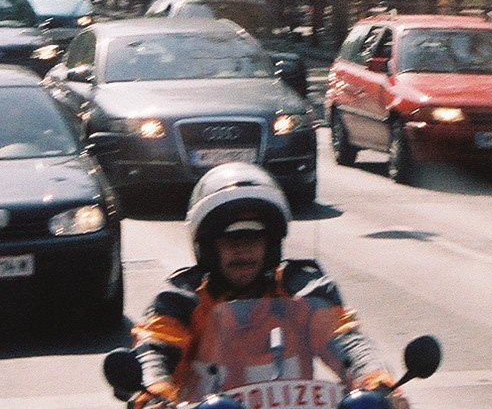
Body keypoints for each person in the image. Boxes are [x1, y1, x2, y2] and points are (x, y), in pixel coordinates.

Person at [129, 163, 407, 408]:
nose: (243, 250)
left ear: (271, 245)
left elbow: (346, 339)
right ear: (209, 248)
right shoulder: (181, 299)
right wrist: (154, 392)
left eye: (254, 239)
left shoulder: (303, 291)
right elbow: (154, 349)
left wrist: (376, 380)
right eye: (230, 241)